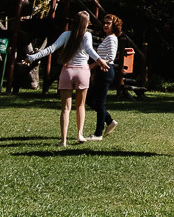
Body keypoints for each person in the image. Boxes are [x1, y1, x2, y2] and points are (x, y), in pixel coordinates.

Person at [26, 10, 108, 147]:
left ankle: (63, 140)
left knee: (65, 108)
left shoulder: (65, 34)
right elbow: (89, 49)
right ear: (86, 23)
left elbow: (50, 49)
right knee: (80, 105)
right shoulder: (87, 35)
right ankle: (79, 134)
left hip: (67, 72)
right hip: (82, 72)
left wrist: (32, 57)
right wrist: (100, 60)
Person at [86, 14, 122, 141]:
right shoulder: (107, 38)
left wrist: (94, 65)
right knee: (90, 100)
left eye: (108, 23)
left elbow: (111, 57)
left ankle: (98, 133)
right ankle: (109, 120)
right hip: (101, 71)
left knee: (99, 103)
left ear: (114, 26)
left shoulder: (112, 38)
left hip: (106, 70)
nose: (105, 25)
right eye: (104, 22)